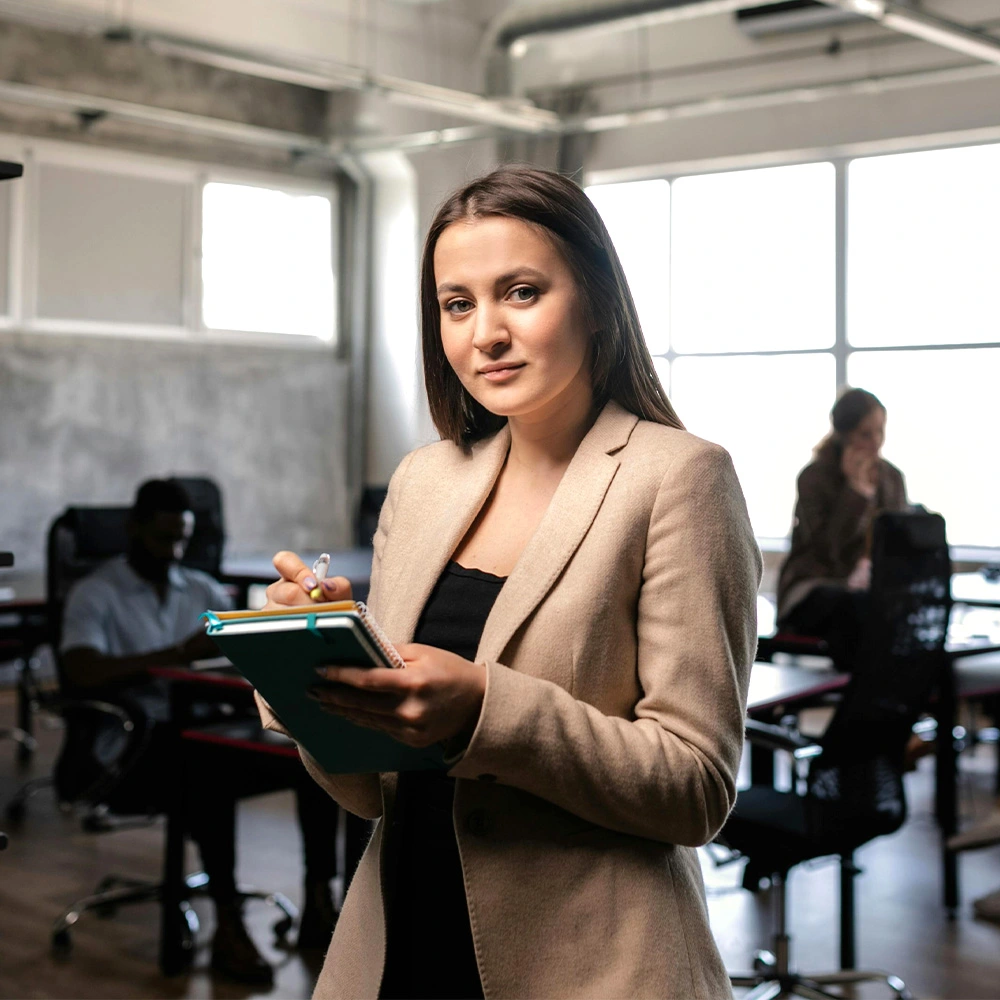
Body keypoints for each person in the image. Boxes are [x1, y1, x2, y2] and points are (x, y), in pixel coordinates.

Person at [257, 165, 761, 999]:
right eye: (458, 304)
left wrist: (484, 713)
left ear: (597, 302)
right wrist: (313, 665)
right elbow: (368, 790)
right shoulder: (424, 482)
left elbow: (695, 788)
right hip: (400, 942)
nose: (485, 333)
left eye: (520, 292)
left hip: (591, 964)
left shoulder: (680, 478)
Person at [59, 479, 349, 984]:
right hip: (129, 747)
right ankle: (229, 926)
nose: (174, 549)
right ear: (134, 529)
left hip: (203, 730)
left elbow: (242, 663)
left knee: (310, 750)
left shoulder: (201, 588)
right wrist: (177, 655)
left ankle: (321, 899)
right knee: (205, 763)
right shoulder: (96, 592)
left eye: (182, 538)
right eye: (162, 537)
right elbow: (81, 672)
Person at [776, 388, 908, 670]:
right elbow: (829, 551)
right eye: (865, 434)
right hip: (815, 586)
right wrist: (857, 492)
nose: (875, 442)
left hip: (871, 586)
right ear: (843, 434)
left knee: (893, 610)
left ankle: (891, 696)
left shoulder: (892, 478)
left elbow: (898, 542)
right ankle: (862, 697)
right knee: (855, 610)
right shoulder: (815, 477)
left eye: (880, 432)